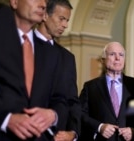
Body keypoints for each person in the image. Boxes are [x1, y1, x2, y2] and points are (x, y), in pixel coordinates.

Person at [0, 0, 73, 140]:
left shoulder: (52, 54)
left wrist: (53, 115)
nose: (43, 4)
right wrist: (6, 119)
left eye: (45, 0)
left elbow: (61, 99)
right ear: (14, 2)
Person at [78, 42, 134, 141]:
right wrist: (99, 127)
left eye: (121, 55)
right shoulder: (90, 87)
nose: (118, 58)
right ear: (103, 60)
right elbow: (80, 114)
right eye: (112, 54)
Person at [34, 0, 81, 141]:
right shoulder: (23, 46)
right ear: (44, 16)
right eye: (61, 19)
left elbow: (72, 101)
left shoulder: (67, 58)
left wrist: (73, 133)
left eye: (67, 20)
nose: (65, 25)